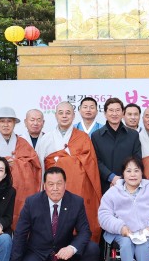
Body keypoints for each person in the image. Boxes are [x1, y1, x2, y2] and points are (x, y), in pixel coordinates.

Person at [6, 167, 100, 261]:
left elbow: (85, 231)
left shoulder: (76, 202)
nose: (55, 188)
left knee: (92, 248)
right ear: (44, 186)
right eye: (51, 184)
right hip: (39, 251)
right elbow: (20, 234)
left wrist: (72, 248)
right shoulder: (32, 203)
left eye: (59, 183)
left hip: (65, 249)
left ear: (65, 184)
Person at [37, 102, 102, 240]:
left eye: (68, 113)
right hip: (52, 190)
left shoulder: (83, 138)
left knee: (76, 222)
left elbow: (89, 164)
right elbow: (40, 167)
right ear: (55, 115)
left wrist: (60, 161)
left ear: (73, 116)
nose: (64, 116)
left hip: (77, 188)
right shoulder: (46, 139)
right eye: (61, 113)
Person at [0, 107, 41, 224]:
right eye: (2, 121)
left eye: (9, 121)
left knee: (18, 218)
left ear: (14, 123)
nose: (6, 125)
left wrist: (18, 163)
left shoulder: (23, 143)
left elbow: (34, 164)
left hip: (18, 189)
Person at [92, 98, 143, 192]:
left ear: (123, 113)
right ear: (105, 114)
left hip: (129, 184)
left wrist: (124, 178)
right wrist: (111, 177)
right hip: (105, 184)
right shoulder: (96, 136)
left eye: (118, 110)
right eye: (111, 110)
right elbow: (96, 160)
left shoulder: (133, 135)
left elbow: (137, 159)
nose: (114, 114)